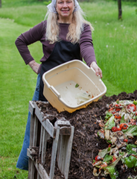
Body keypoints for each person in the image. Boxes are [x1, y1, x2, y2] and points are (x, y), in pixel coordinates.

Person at [15, 0, 102, 170]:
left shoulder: (82, 27)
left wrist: (92, 63)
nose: (64, 5)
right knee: (38, 125)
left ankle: (66, 168)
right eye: (60, 1)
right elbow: (21, 41)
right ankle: (32, 166)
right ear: (54, 5)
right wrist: (32, 64)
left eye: (68, 1)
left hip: (71, 88)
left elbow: (86, 46)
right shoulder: (45, 26)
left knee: (70, 126)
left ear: (74, 5)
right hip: (48, 86)